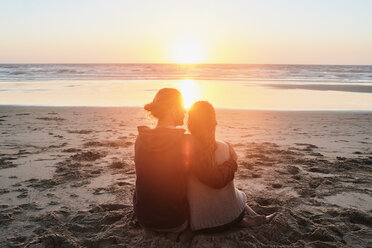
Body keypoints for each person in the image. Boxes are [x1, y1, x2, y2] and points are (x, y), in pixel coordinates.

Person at [133, 88, 238, 232]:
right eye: (182, 107)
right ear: (172, 108)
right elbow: (215, 180)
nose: (185, 111)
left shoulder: (140, 139)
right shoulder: (186, 142)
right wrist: (232, 162)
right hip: (173, 222)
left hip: (143, 218)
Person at [187, 101, 276, 232]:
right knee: (235, 192)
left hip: (199, 224)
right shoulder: (225, 147)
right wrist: (232, 162)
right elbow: (218, 181)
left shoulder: (184, 148)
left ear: (190, 123)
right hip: (231, 218)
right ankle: (255, 217)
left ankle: (254, 217)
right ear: (213, 123)